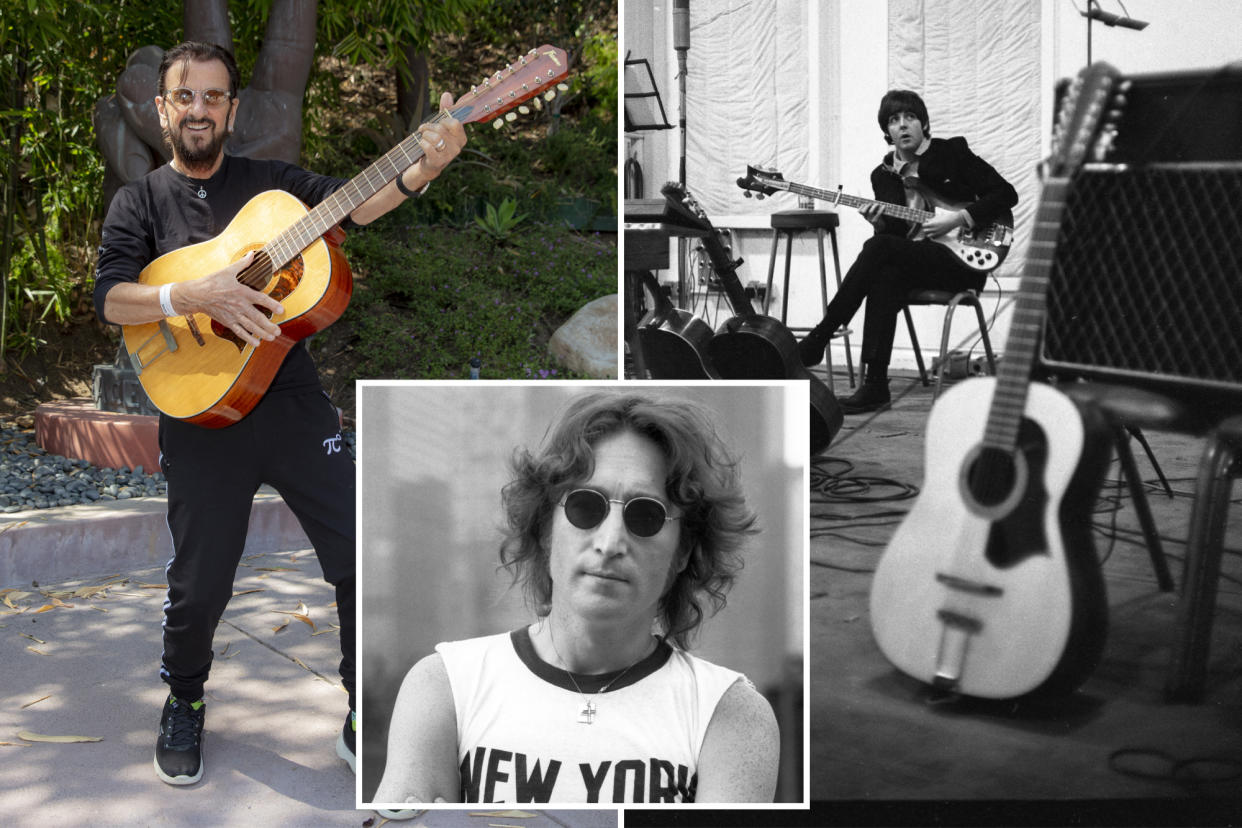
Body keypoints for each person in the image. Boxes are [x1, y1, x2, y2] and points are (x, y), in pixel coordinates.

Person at [92, 41, 466, 787]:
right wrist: (190, 295)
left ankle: (366, 713)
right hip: (198, 413)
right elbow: (112, 297)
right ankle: (186, 699)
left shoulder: (274, 190)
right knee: (200, 583)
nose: (199, 109)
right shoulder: (140, 202)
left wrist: (425, 167)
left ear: (232, 109)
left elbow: (359, 203)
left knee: (362, 556)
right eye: (185, 96)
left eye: (213, 97)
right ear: (165, 109)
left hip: (291, 400)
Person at [373, 393, 780, 804]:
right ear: (547, 530)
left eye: (646, 515)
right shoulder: (444, 686)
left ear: (683, 551)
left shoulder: (728, 715)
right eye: (586, 507)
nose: (610, 542)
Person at [797, 89, 1018, 413]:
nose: (902, 125)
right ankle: (874, 386)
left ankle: (820, 336)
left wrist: (958, 218)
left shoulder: (952, 153)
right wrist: (881, 224)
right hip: (919, 260)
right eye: (894, 120)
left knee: (880, 251)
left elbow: (1006, 194)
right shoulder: (883, 174)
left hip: (963, 260)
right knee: (885, 271)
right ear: (887, 131)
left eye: (910, 117)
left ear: (924, 123)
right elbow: (898, 236)